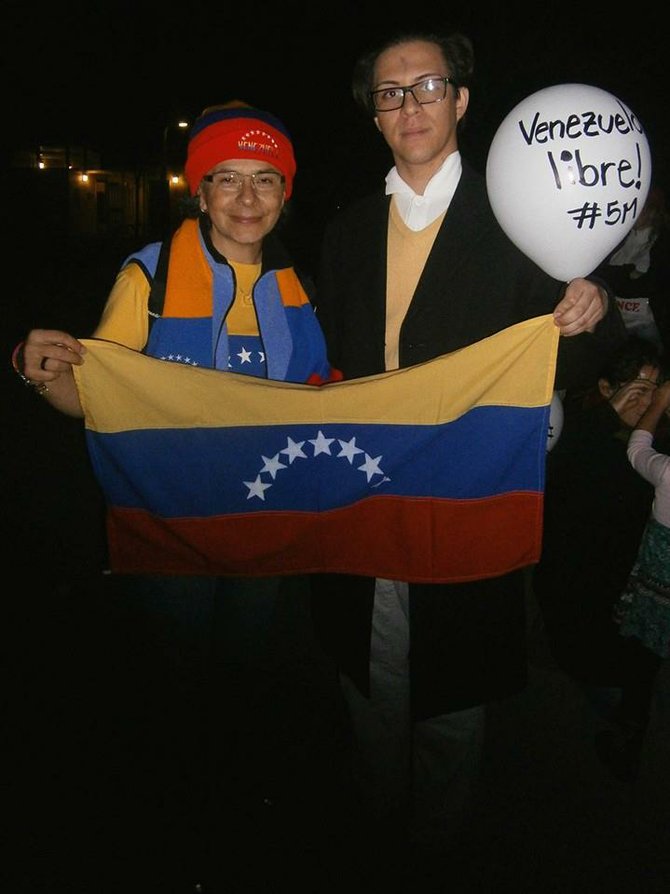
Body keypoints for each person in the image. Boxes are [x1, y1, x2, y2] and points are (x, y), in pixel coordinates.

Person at [308, 29, 626, 862]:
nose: (409, 105)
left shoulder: (522, 218)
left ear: (461, 101)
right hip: (365, 493)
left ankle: (438, 853)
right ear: (372, 116)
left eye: (427, 86)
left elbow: (581, 347)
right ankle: (377, 837)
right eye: (389, 92)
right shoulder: (343, 233)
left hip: (467, 494)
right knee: (370, 680)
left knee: (451, 698)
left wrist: (591, 307)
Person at [13, 101, 341, 888]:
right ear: (200, 191)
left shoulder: (297, 283)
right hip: (166, 531)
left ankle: (234, 816)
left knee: (246, 681)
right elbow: (95, 397)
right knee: (176, 684)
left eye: (266, 180)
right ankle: (179, 823)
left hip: (263, 535)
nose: (247, 198)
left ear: (285, 194)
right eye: (227, 179)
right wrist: (41, 373)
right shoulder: (148, 273)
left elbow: (321, 398)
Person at [533, 336, 666, 780]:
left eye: (654, 388)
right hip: (578, 582)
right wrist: (611, 417)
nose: (645, 399)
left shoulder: (655, 439)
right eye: (635, 388)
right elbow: (561, 477)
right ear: (607, 388)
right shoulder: (580, 428)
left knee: (633, 664)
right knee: (596, 669)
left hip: (633, 585)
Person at [603, 378, 670, 779]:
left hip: (655, 596)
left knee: (641, 667)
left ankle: (629, 741)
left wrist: (659, 402)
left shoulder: (668, 473)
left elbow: (636, 449)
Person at [595, 184, 670, 356]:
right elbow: (600, 273)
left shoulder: (662, 242)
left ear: (651, 210)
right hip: (619, 321)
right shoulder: (620, 236)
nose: (631, 212)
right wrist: (626, 273)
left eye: (637, 207)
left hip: (648, 322)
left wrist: (617, 276)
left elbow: (651, 284)